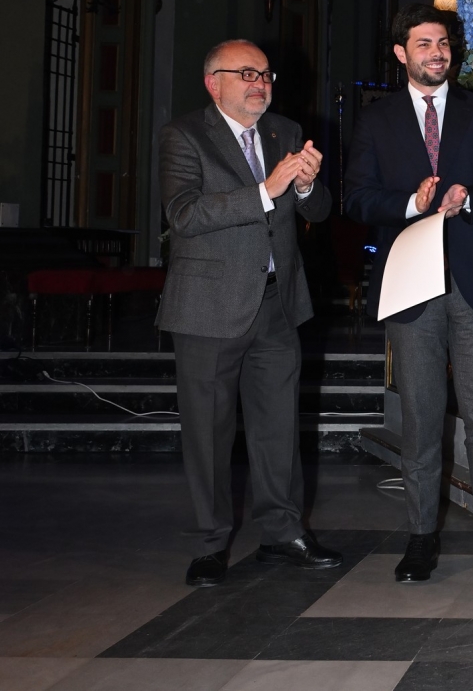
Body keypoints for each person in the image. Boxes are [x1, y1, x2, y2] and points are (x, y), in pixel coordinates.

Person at [344, 5, 473, 583]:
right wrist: (409, 206)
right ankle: (421, 537)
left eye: (442, 43)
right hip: (410, 285)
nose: (435, 53)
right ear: (402, 54)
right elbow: (357, 199)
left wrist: (469, 198)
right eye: (423, 44)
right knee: (420, 419)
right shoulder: (377, 121)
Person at [158, 39, 339, 587]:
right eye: (246, 74)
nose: (260, 83)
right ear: (214, 83)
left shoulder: (282, 130)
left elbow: (321, 208)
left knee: (278, 427)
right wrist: (266, 189)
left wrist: (306, 186)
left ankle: (283, 534)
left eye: (265, 74)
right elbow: (184, 215)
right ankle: (213, 543)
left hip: (276, 304)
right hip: (208, 307)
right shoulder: (185, 136)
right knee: (210, 432)